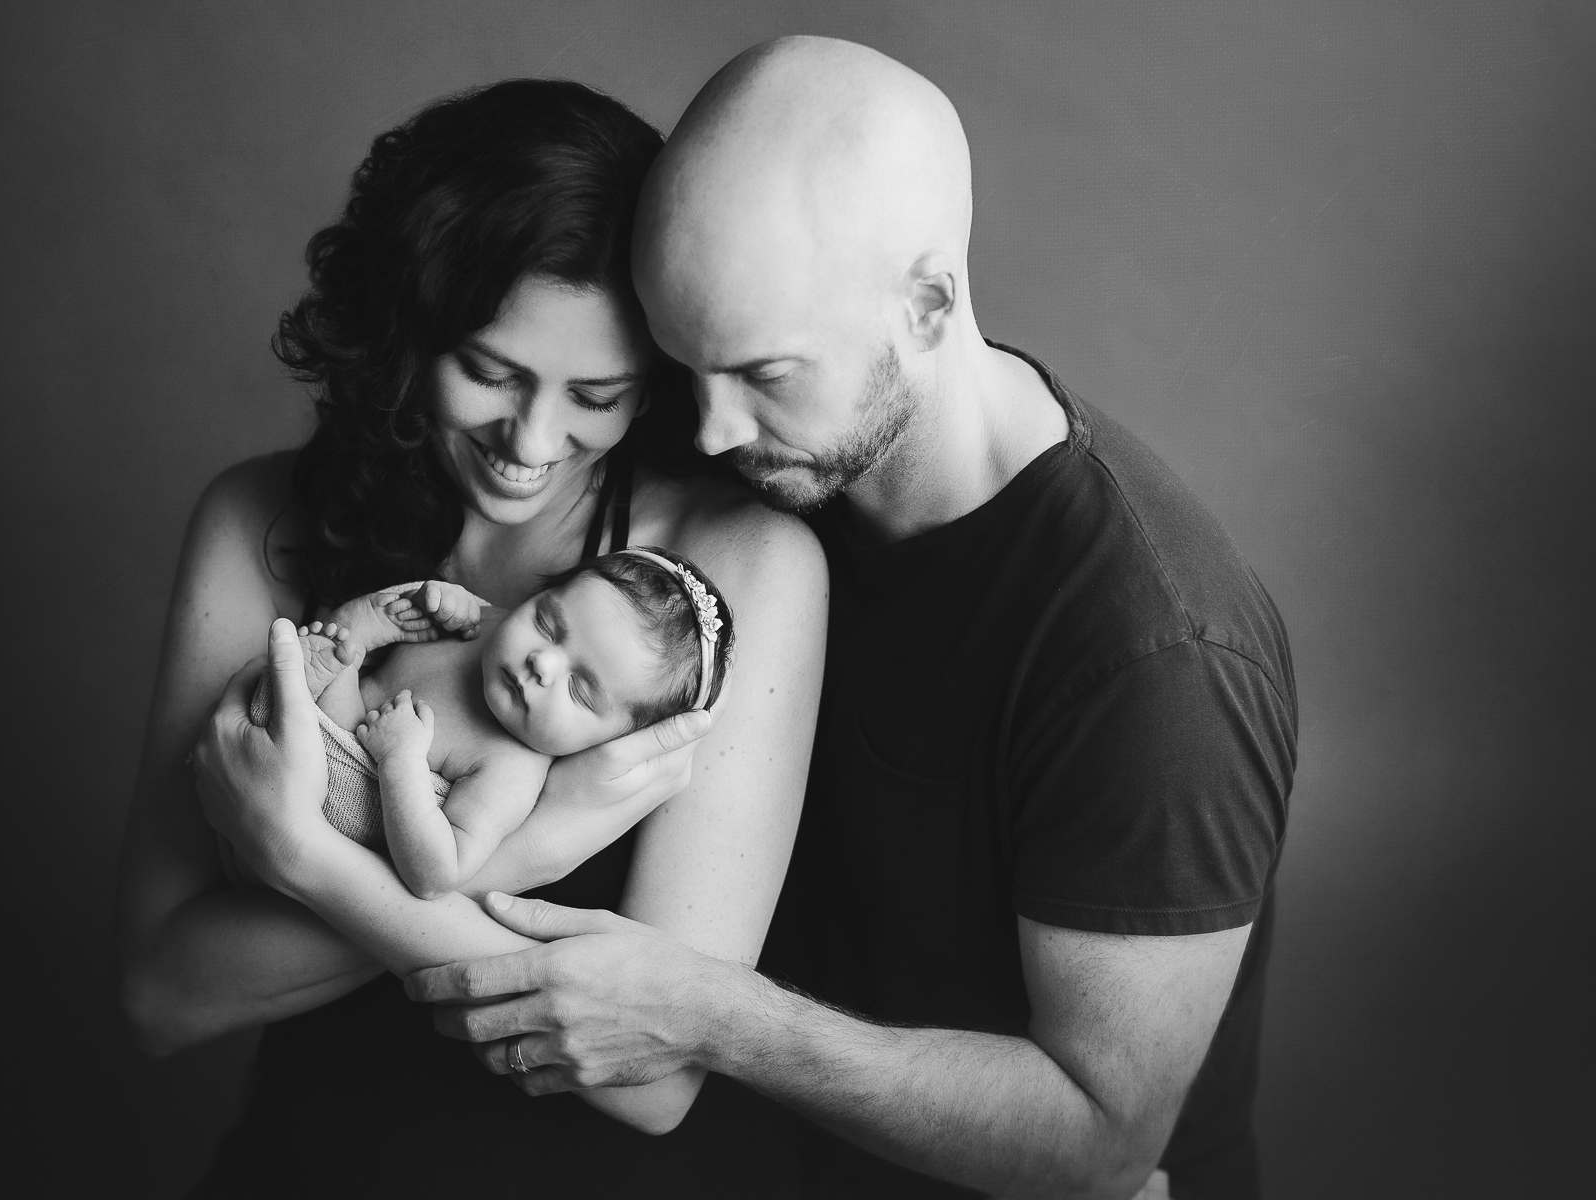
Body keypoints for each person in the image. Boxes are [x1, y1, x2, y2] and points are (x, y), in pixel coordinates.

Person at [404, 38, 1296, 1200]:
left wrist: (719, 1019)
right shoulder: (782, 473)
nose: (711, 429)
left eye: (765, 373)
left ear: (928, 305)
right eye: (684, 365)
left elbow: (1097, 1139)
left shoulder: (1154, 654)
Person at [115, 78, 827, 1194]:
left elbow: (652, 1078)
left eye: (598, 395)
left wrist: (306, 863)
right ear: (407, 327)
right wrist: (526, 857)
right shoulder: (261, 523)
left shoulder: (735, 572)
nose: (533, 441)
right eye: (490, 374)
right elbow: (166, 992)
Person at [233, 550, 735, 900]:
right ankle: (339, 655)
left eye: (580, 690)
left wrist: (401, 762)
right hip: (311, 731)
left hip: (340, 797)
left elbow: (437, 872)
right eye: (546, 623)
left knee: (317, 716)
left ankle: (325, 676)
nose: (543, 663)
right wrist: (432, 604)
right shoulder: (490, 625)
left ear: (606, 743)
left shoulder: (513, 770)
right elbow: (431, 616)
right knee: (342, 646)